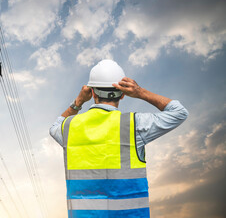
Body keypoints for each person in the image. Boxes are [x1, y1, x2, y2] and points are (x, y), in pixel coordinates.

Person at [49, 59, 188, 218]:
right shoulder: (134, 125)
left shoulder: (69, 128)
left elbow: (55, 127)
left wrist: (78, 102)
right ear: (123, 95)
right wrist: (140, 92)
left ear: (92, 92)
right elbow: (179, 112)